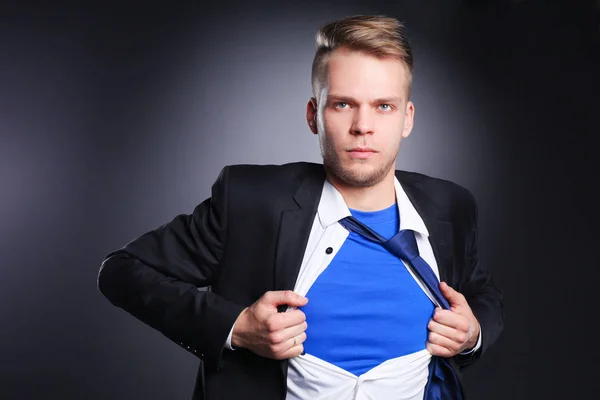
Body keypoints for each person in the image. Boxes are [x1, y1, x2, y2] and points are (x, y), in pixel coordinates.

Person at [97, 14, 503, 400]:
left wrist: (474, 332)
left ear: (407, 118)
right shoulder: (249, 201)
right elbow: (121, 272)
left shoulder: (451, 206)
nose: (363, 125)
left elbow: (482, 292)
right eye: (343, 104)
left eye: (384, 106)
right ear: (314, 115)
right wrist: (236, 328)